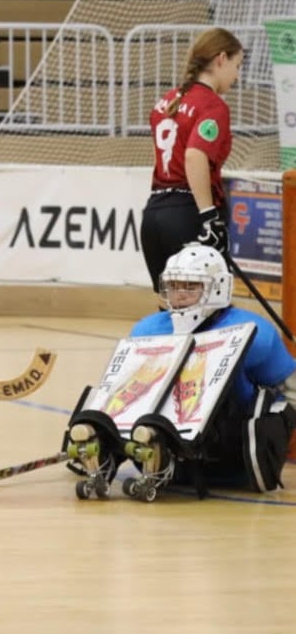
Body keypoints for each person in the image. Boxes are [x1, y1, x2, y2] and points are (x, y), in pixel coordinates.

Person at [95, 243, 296, 494]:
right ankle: (99, 451)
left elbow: (291, 391)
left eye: (190, 286)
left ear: (218, 288)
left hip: (232, 454)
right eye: (174, 285)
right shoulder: (147, 330)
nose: (179, 294)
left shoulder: (255, 332)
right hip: (161, 442)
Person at [139, 27, 242, 293]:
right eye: (237, 65)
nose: (237, 75)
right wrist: (209, 218)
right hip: (188, 216)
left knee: (170, 309)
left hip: (154, 215)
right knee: (208, 311)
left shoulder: (166, 101)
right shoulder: (212, 105)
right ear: (221, 59)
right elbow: (194, 156)